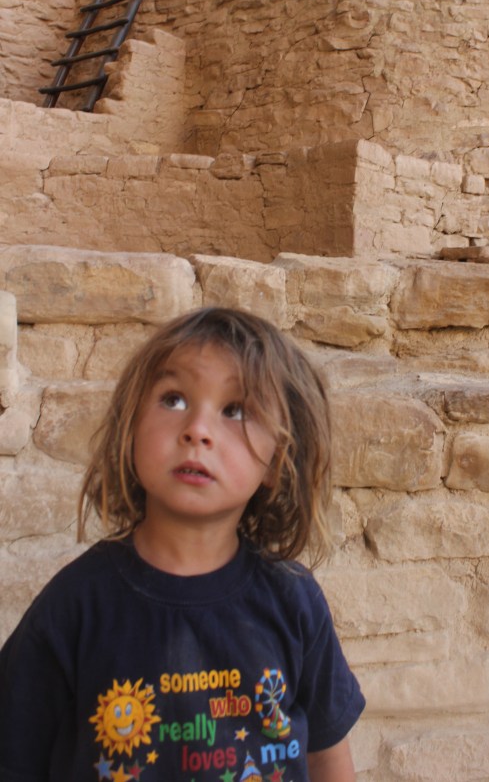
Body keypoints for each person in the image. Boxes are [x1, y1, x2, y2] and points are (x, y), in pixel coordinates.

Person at [0, 306, 364, 781]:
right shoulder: (75, 605)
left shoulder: (293, 601)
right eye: (173, 400)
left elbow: (327, 756)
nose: (198, 430)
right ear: (131, 428)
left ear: (278, 460)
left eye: (235, 410)